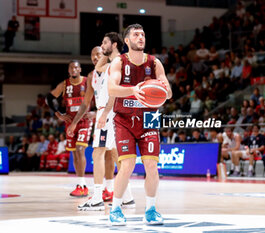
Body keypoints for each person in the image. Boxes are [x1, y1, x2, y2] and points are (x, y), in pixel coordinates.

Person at [108, 24, 172, 225]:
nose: (140, 37)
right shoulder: (119, 62)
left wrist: (161, 90)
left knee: (152, 166)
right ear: (127, 40)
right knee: (126, 165)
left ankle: (151, 209)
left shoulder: (154, 63)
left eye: (143, 34)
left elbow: (168, 92)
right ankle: (116, 208)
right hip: (124, 119)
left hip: (149, 119)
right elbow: (112, 88)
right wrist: (134, 90)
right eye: (136, 34)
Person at [70, 34, 133, 211]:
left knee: (97, 153)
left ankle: (97, 198)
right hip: (107, 112)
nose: (101, 45)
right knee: (114, 155)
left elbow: (114, 91)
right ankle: (127, 196)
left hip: (109, 111)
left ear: (113, 45)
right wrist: (105, 51)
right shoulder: (106, 65)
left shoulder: (117, 64)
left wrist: (105, 112)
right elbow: (98, 66)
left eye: (104, 43)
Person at [46, 60, 93, 197]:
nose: (73, 70)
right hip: (70, 122)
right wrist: (58, 114)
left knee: (80, 149)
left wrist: (95, 112)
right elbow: (49, 98)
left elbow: (100, 97)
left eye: (76, 67)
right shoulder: (64, 84)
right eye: (71, 68)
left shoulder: (87, 82)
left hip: (84, 121)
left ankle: (83, 185)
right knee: (74, 153)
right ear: (68, 70)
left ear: (80, 69)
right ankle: (80, 184)